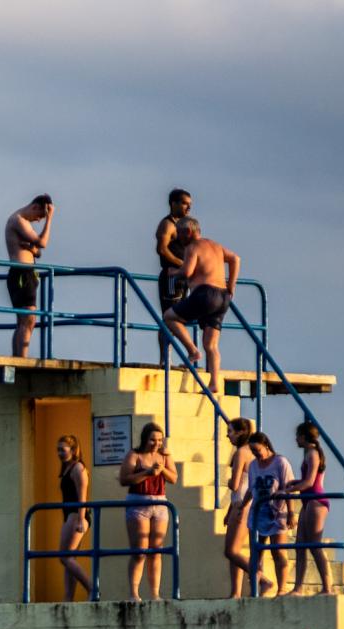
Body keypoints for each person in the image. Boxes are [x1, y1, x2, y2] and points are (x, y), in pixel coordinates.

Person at [162, 217, 240, 395]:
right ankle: (214, 383)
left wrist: (174, 273)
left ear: (188, 232)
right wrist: (231, 285)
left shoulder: (193, 247)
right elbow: (235, 259)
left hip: (205, 294)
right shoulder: (215, 245)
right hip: (223, 296)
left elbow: (187, 271)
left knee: (169, 316)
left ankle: (192, 351)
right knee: (211, 345)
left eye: (180, 234)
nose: (178, 238)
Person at [118, 422, 177, 600]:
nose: (156, 443)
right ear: (145, 439)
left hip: (160, 504)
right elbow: (124, 479)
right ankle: (134, 592)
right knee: (140, 551)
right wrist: (147, 473)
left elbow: (174, 478)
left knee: (156, 550)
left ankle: (155, 593)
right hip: (138, 504)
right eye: (153, 440)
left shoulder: (165, 456)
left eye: (159, 440)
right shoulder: (134, 455)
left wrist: (162, 470)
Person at [238, 433, 295, 597]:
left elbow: (288, 487)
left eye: (258, 450)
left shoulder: (280, 462)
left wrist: (291, 512)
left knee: (278, 551)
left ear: (266, 446)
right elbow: (251, 488)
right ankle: (255, 590)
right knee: (256, 554)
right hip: (257, 513)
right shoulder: (254, 465)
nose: (256, 454)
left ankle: (282, 588)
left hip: (277, 513)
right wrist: (242, 506)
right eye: (253, 451)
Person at [284, 422, 334, 596]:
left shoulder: (313, 453)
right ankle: (298, 587)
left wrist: (288, 490)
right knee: (300, 545)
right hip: (307, 500)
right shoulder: (309, 453)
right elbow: (305, 481)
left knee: (314, 545)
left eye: (297, 436)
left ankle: (328, 587)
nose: (295, 439)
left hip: (316, 500)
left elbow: (310, 482)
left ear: (304, 437)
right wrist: (294, 483)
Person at [3, 194, 54, 358]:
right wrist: (50, 218)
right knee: (29, 319)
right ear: (35, 207)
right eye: (40, 216)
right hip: (21, 274)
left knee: (23, 321)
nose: (39, 220)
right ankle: (21, 359)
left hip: (27, 274)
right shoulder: (18, 220)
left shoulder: (24, 223)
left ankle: (18, 357)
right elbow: (43, 243)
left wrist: (32, 250)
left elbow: (37, 252)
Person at [154, 188, 192, 358]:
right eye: (184, 203)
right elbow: (161, 249)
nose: (188, 208)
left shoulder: (186, 225)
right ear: (173, 203)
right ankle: (165, 359)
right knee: (169, 317)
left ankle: (174, 356)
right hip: (171, 277)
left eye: (190, 205)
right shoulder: (167, 224)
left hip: (184, 279)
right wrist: (181, 264)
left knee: (180, 318)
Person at [222, 417, 255, 598]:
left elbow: (235, 485)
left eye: (230, 431)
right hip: (243, 503)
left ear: (241, 432)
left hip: (242, 504)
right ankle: (236, 592)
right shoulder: (252, 451)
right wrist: (228, 512)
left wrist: (227, 481)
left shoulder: (242, 452)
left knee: (231, 551)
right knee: (237, 551)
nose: (227, 435)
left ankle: (259, 576)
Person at [56, 435, 92, 601]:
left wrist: (80, 519)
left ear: (73, 449)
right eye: (58, 450)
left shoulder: (78, 468)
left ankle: (92, 588)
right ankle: (68, 598)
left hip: (77, 515)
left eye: (63, 450)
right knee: (69, 558)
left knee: (65, 556)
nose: (60, 453)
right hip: (69, 515)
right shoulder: (67, 468)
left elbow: (82, 495)